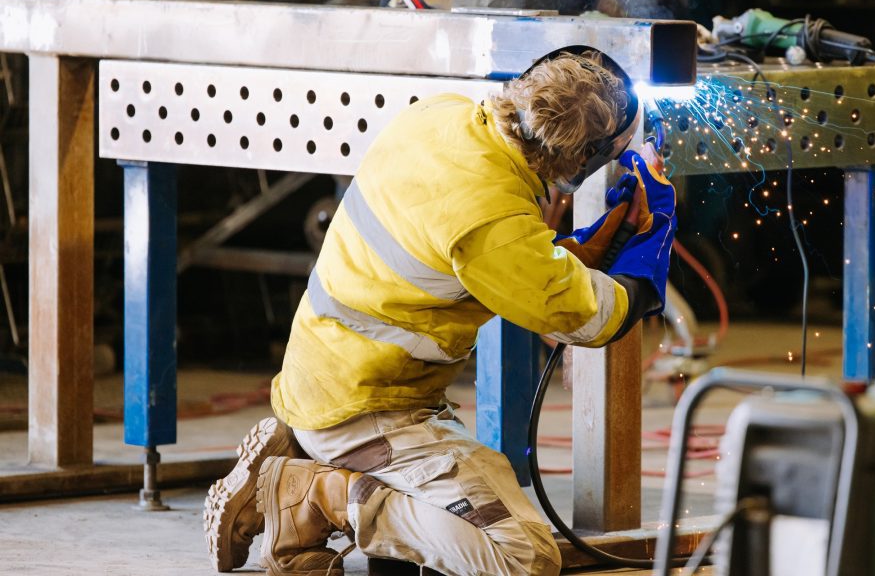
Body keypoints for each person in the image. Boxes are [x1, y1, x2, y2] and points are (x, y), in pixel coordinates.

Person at [203, 46, 677, 576]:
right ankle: (317, 495)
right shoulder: (493, 222)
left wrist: (593, 244)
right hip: (370, 409)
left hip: (318, 378)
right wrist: (652, 240)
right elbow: (595, 318)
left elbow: (488, 254)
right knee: (522, 556)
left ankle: (302, 450)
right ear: (581, 159)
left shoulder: (441, 116)